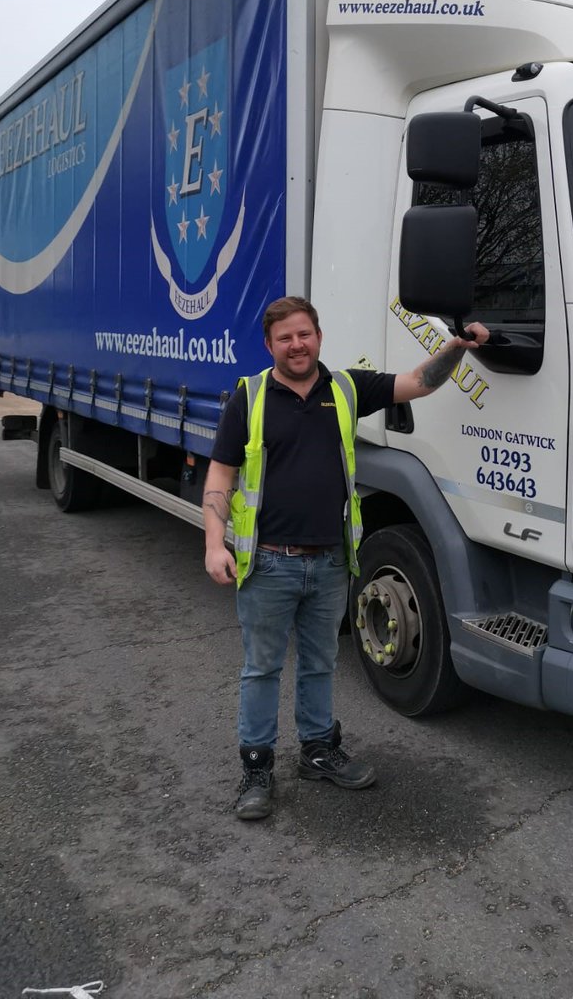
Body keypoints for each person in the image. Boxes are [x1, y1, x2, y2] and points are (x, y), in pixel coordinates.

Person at [204, 295, 490, 820]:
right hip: (268, 563)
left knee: (320, 664)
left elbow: (419, 382)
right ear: (269, 346)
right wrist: (212, 542)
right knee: (262, 669)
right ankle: (256, 767)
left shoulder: (346, 388)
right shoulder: (249, 398)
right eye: (285, 337)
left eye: (305, 334)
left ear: (319, 337)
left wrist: (455, 348)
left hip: (332, 562)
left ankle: (317, 751)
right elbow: (221, 474)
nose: (297, 344)